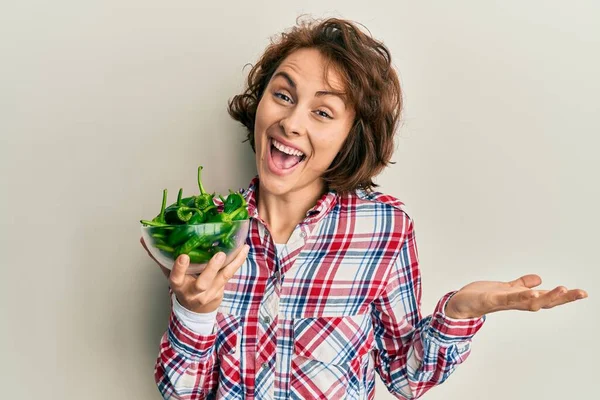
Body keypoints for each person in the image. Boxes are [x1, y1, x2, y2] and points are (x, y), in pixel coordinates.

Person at [140, 16, 588, 400]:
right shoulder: (209, 226)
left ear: (351, 137)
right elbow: (184, 393)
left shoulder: (385, 228)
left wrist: (460, 313)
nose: (291, 123)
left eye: (323, 112)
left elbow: (405, 378)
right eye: (283, 95)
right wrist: (193, 311)